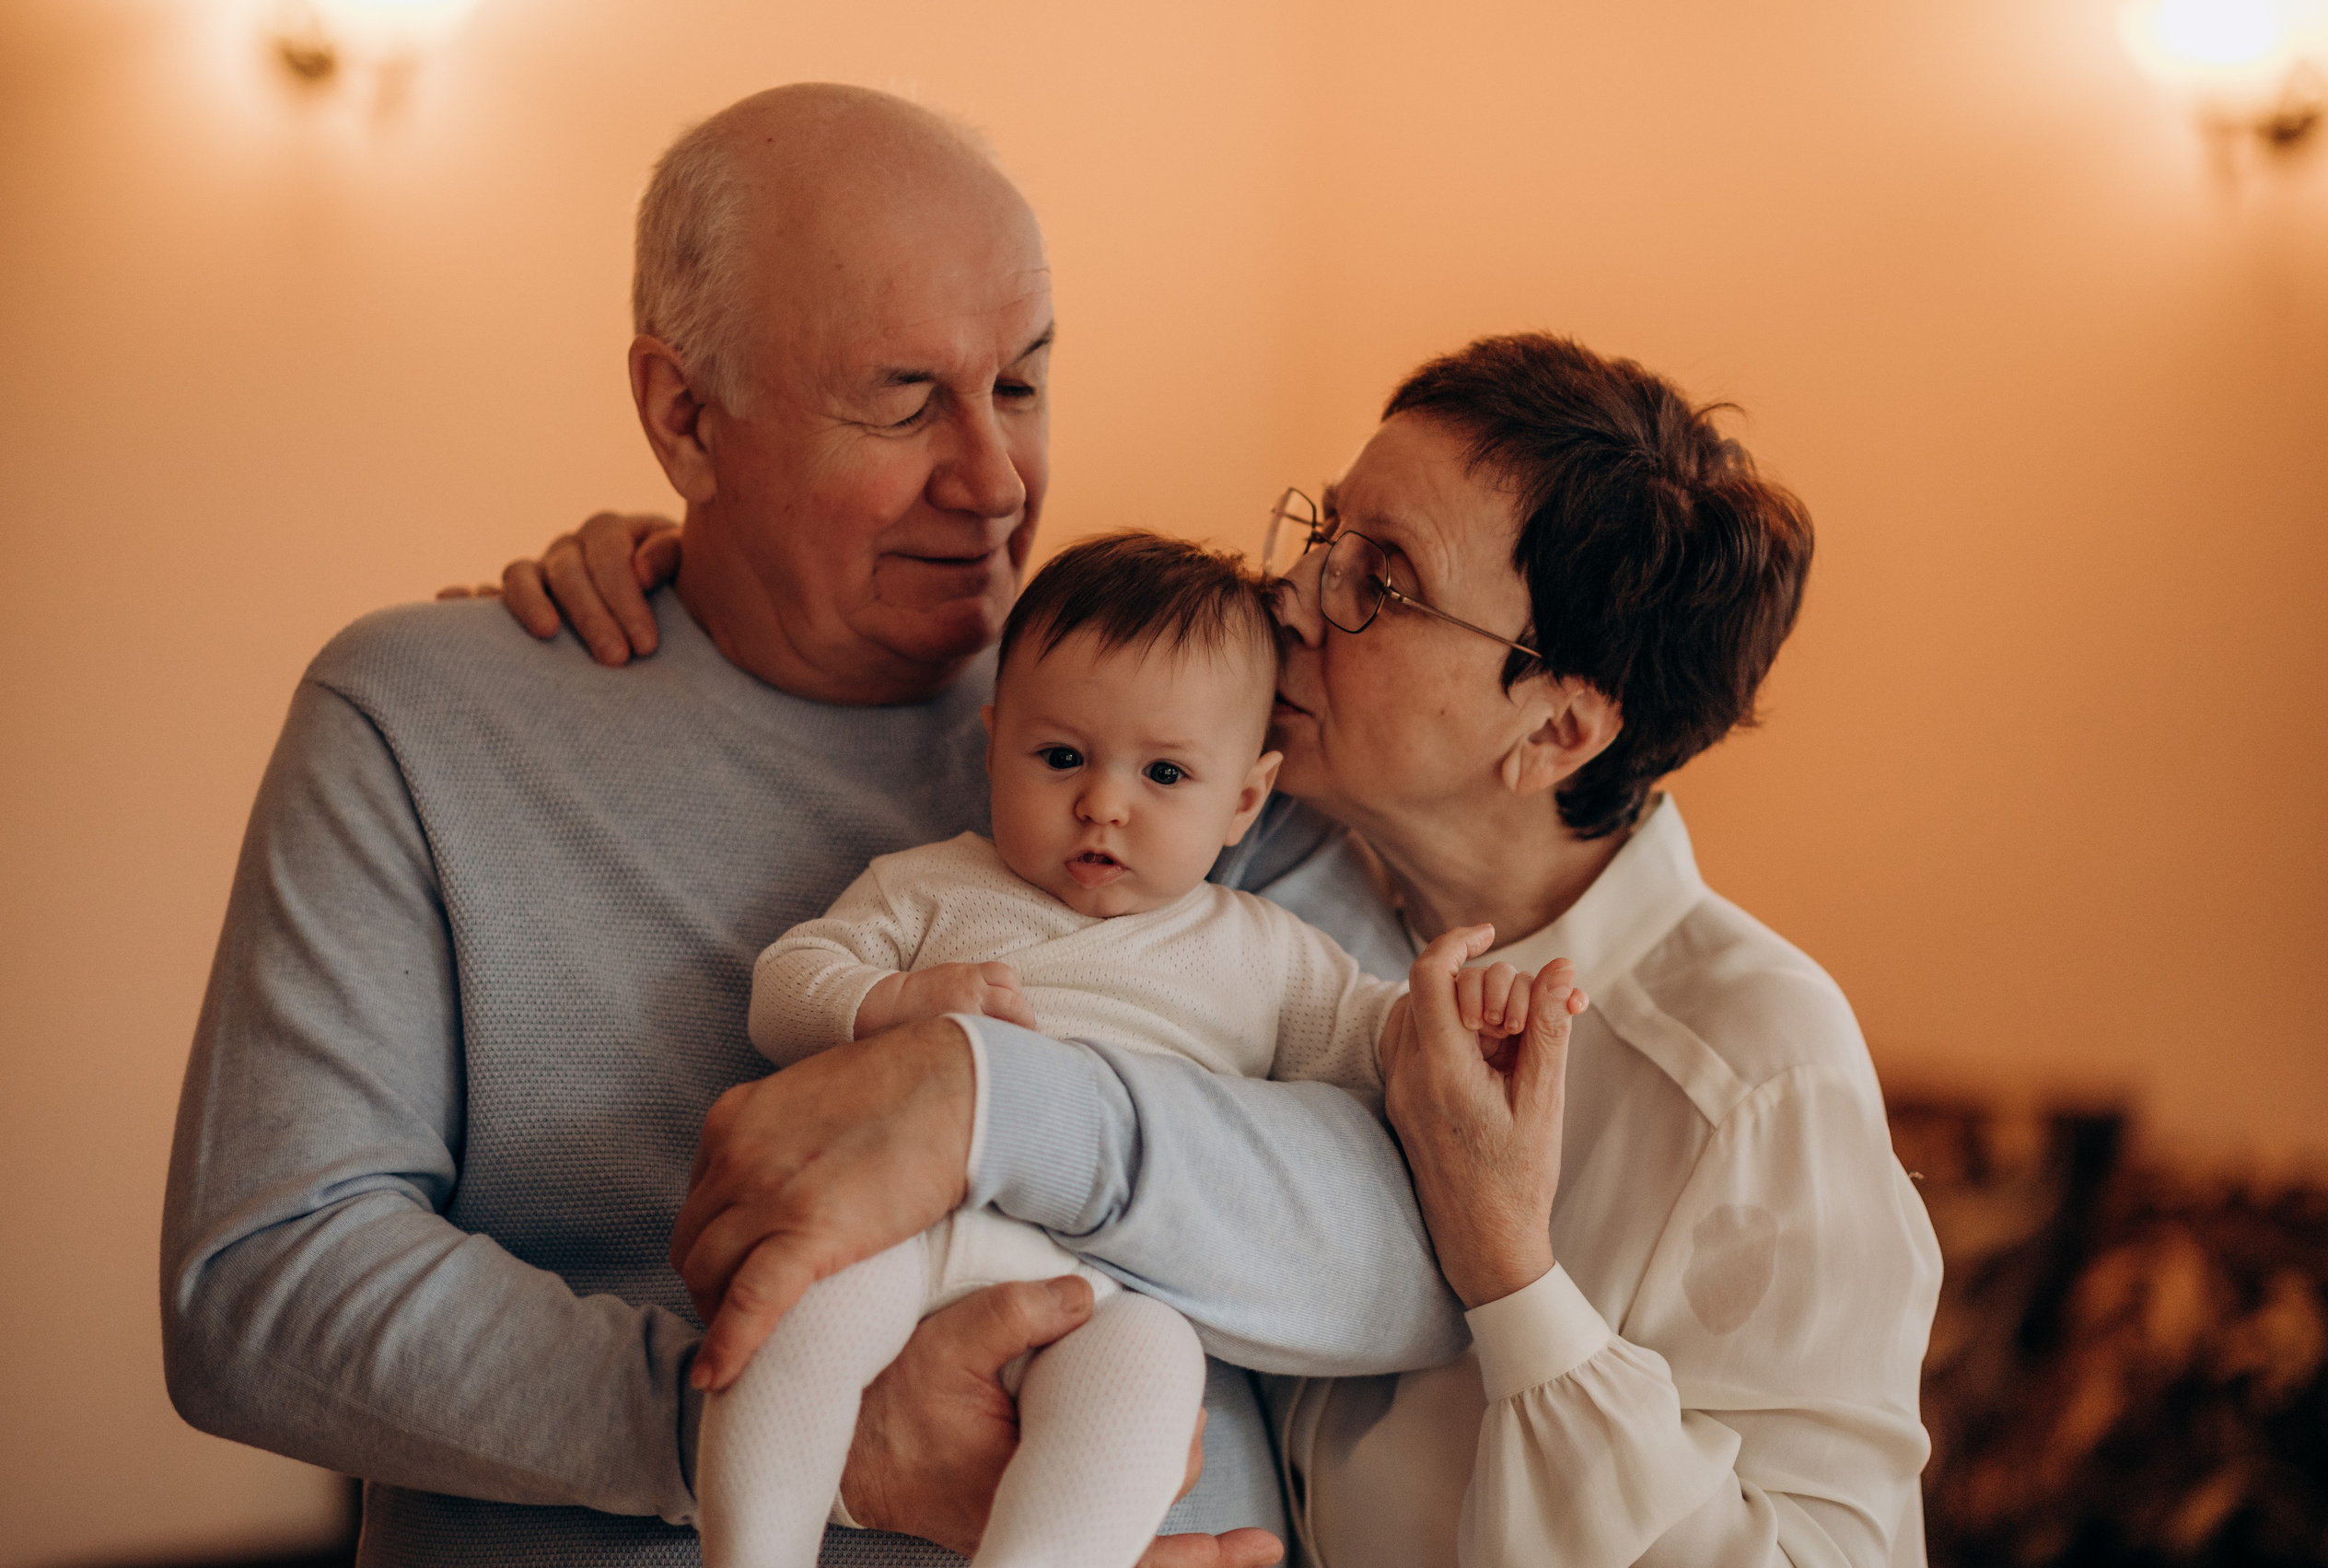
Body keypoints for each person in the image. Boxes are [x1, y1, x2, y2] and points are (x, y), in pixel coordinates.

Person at [162, 83, 1472, 1568]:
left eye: (1024, 385)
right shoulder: (422, 720)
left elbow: (1419, 1258)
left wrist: (991, 1104)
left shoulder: (1190, 739)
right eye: (905, 398)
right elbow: (259, 1281)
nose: (994, 482)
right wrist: (783, 1432)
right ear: (682, 415)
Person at [505, 333, 1944, 1565]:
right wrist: (697, 574)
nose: (1293, 595)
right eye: (1325, 530)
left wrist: (1517, 1277)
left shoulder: (1756, 1064)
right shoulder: (1252, 850)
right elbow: (1062, 668)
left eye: (1380, 579)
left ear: (1558, 725)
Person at [703, 531, 1579, 1568]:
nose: (1104, 802)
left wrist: (1452, 1020)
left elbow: (1377, 1050)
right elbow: (785, 984)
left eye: (1165, 772)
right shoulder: (933, 885)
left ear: (1243, 799)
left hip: (1116, 1288)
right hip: (907, 1227)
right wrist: (889, 1002)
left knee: (1152, 1385)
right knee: (800, 1316)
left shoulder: (1263, 950)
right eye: (1061, 756)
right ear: (994, 743)